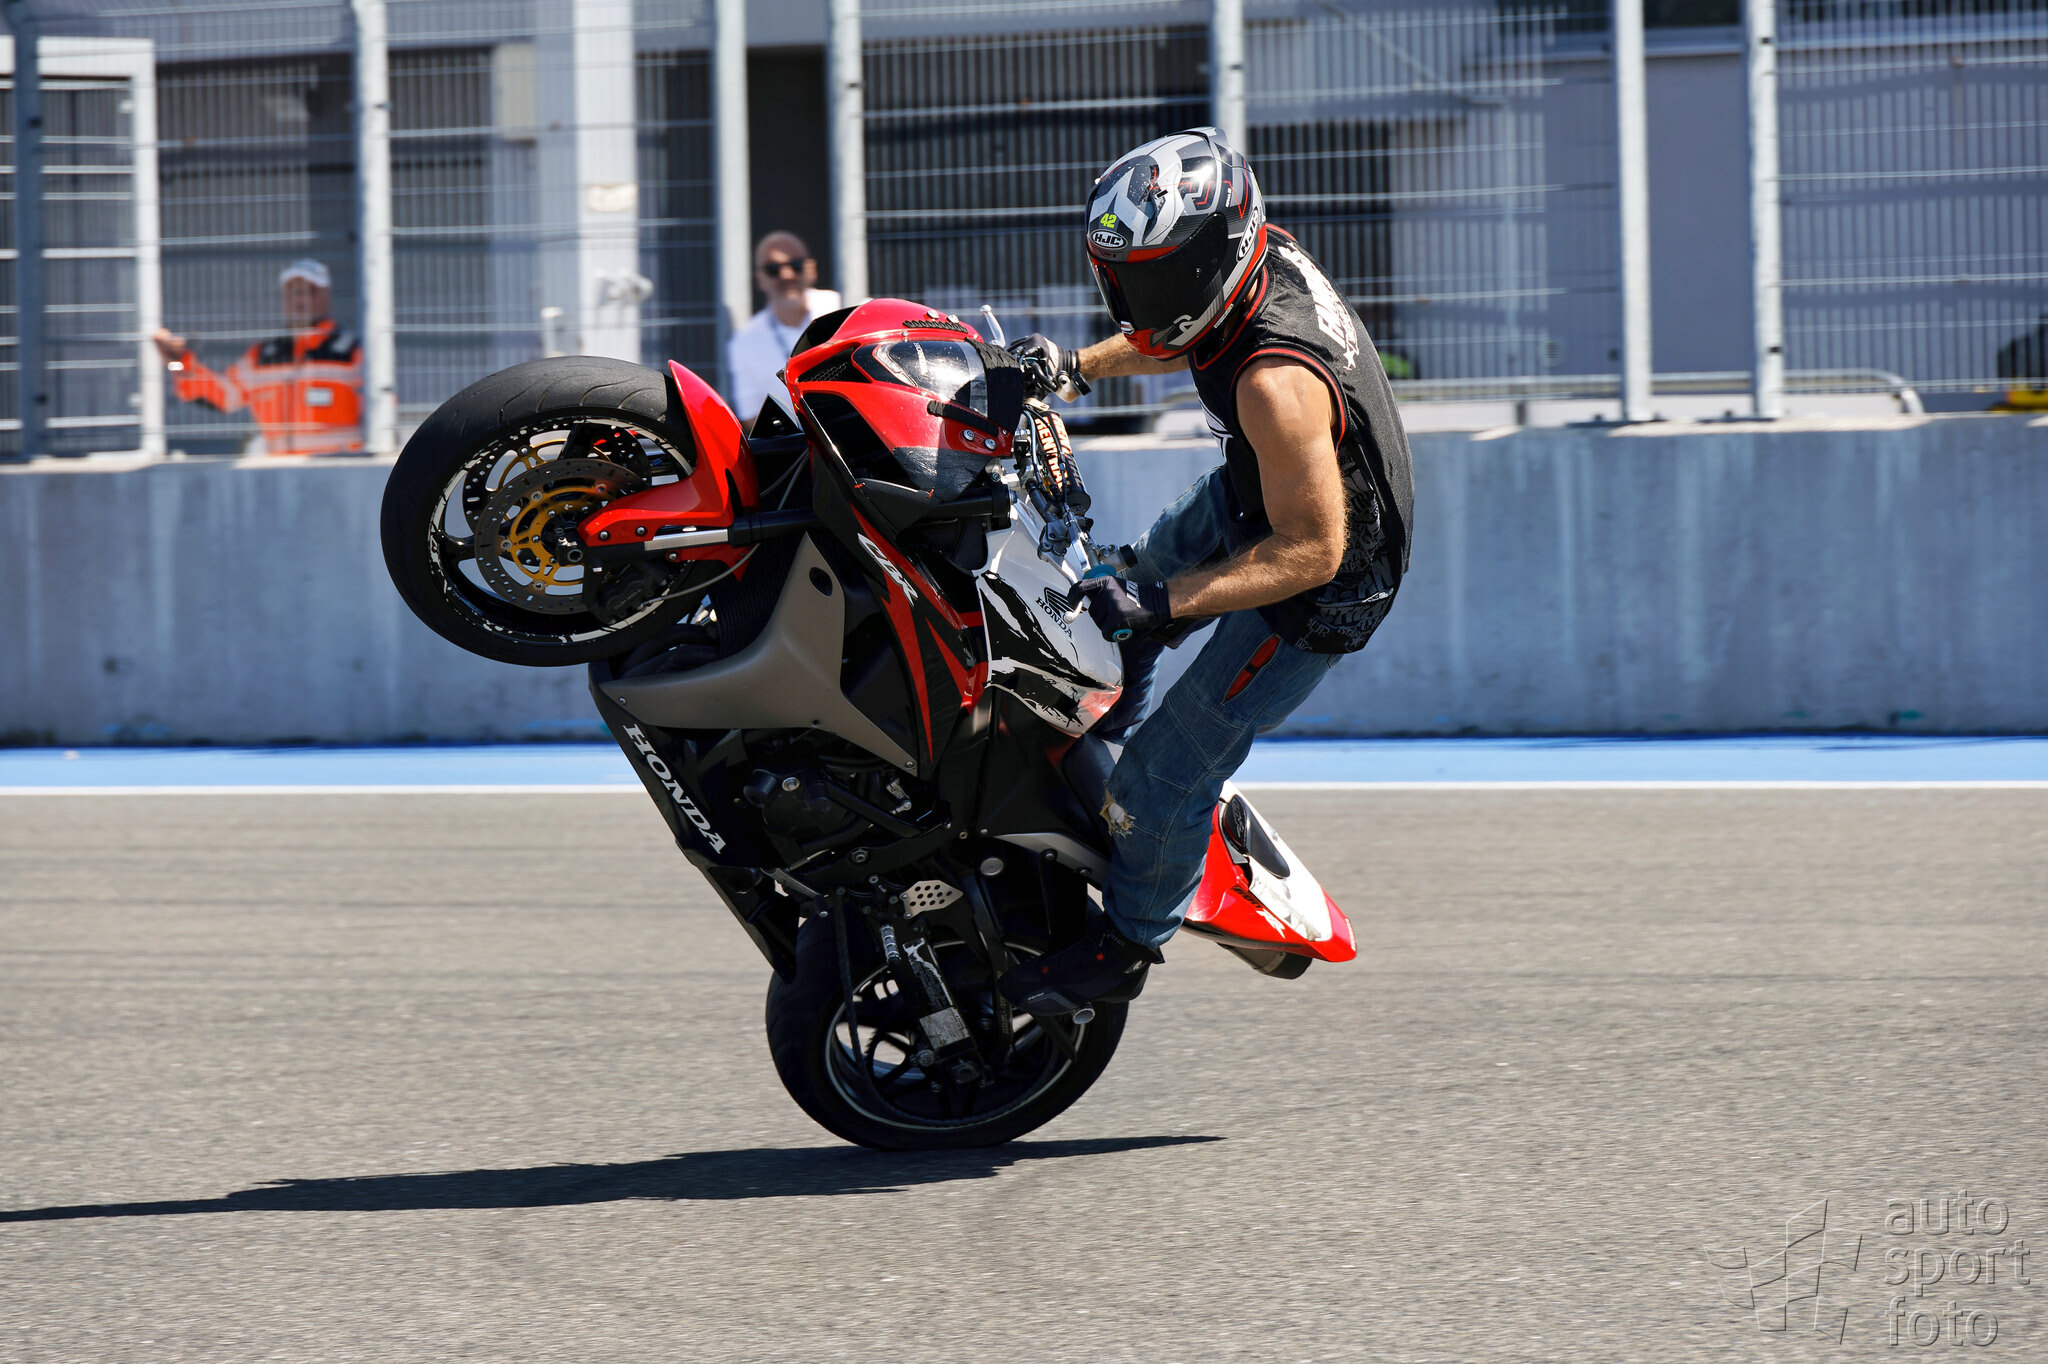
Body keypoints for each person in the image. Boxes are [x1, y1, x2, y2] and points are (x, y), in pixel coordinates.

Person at [999, 127, 1416, 1016]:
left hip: (1323, 586)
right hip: (1258, 487)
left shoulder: (1274, 382)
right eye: (1124, 279)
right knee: (1103, 601)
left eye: (1151, 279)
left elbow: (1313, 552)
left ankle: (1125, 946)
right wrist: (1073, 369)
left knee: (1164, 777)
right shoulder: (1243, 266)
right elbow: (1172, 330)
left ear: (1209, 261)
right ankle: (1103, 753)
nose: (1132, 301)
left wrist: (1163, 601)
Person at [153, 259, 364, 456]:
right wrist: (177, 362)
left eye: (308, 291)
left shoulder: (352, 352)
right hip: (280, 475)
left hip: (337, 472)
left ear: (325, 297)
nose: (299, 300)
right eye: (292, 292)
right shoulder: (262, 356)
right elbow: (221, 395)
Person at [727, 231, 841, 427]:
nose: (786, 275)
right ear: (759, 279)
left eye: (795, 265)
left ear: (811, 269)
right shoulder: (744, 342)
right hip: (797, 442)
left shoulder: (845, 308)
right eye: (773, 269)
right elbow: (752, 419)